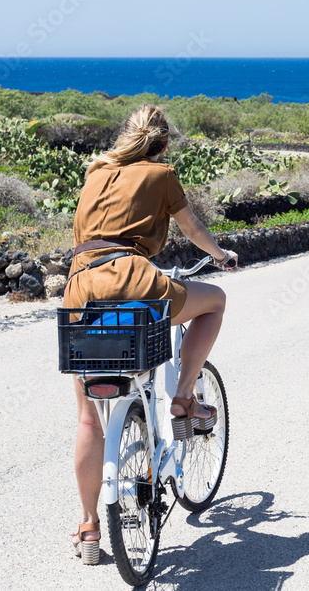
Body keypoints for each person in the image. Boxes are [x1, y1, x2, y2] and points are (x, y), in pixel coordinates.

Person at [62, 104, 238, 563]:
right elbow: (193, 228)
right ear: (162, 144)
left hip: (80, 290)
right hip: (135, 283)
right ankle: (182, 397)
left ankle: (88, 528)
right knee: (214, 301)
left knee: (87, 417)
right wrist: (220, 253)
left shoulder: (95, 172)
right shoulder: (162, 173)